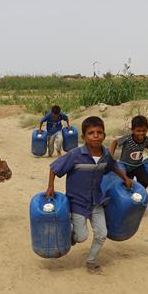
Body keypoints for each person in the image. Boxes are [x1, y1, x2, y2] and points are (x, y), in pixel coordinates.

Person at [46, 116, 133, 274]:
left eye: (99, 132)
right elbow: (54, 167)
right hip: (77, 202)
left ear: (104, 135)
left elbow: (112, 166)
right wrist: (50, 187)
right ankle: (70, 231)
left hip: (97, 201)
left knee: (101, 234)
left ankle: (91, 261)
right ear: (84, 137)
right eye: (91, 133)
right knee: (81, 237)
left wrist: (125, 178)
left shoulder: (106, 155)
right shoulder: (75, 155)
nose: (96, 135)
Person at [109, 115, 148, 190]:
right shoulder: (127, 139)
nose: (141, 133)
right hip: (125, 165)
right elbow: (115, 142)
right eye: (138, 131)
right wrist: (111, 156)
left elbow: (147, 145)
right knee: (126, 184)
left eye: (144, 130)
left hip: (138, 165)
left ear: (147, 129)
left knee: (144, 182)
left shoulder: (146, 139)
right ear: (132, 130)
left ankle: (139, 194)